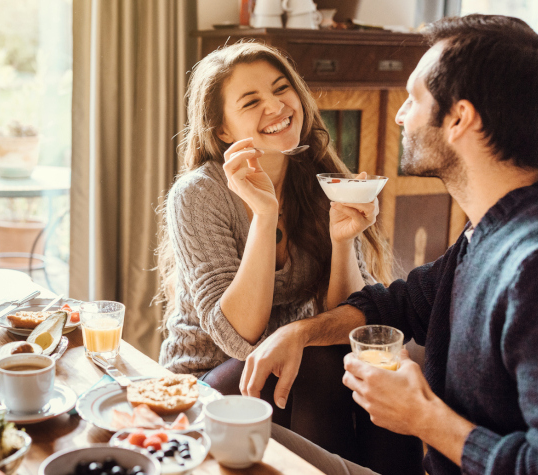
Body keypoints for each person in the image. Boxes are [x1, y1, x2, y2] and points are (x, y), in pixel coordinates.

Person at [241, 14, 538, 475]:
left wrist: (425, 419)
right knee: (249, 438)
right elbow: (402, 303)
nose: (400, 114)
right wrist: (301, 332)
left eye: (413, 98)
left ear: (459, 119)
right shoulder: (489, 230)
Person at [155, 42, 423, 473]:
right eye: (251, 101)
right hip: (207, 378)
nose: (276, 106)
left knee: (374, 366)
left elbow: (345, 317)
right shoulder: (198, 195)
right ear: (222, 130)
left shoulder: (316, 178)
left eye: (282, 89)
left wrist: (342, 241)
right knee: (317, 364)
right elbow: (240, 335)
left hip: (297, 359)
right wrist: (264, 215)